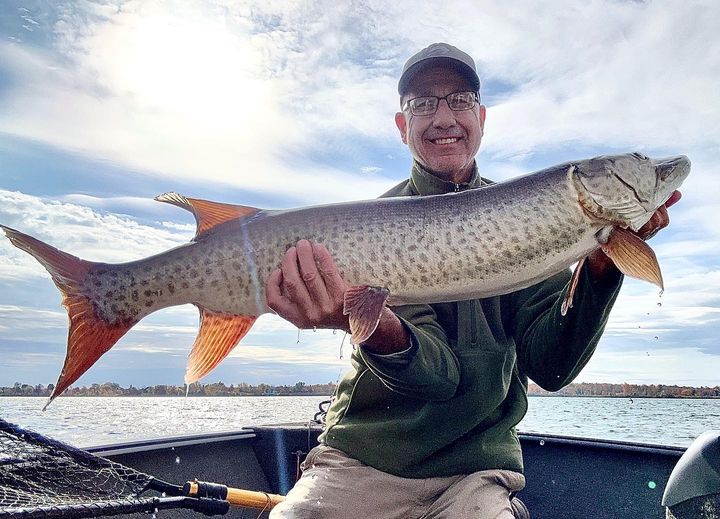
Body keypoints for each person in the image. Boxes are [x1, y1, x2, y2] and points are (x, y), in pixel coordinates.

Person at [265, 43, 678, 518]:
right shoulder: (377, 229)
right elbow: (437, 378)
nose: (444, 118)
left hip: (475, 472)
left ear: (481, 117)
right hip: (363, 458)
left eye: (460, 100)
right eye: (423, 104)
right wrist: (363, 322)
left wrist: (601, 266)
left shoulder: (532, 220)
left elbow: (552, 366)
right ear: (402, 126)